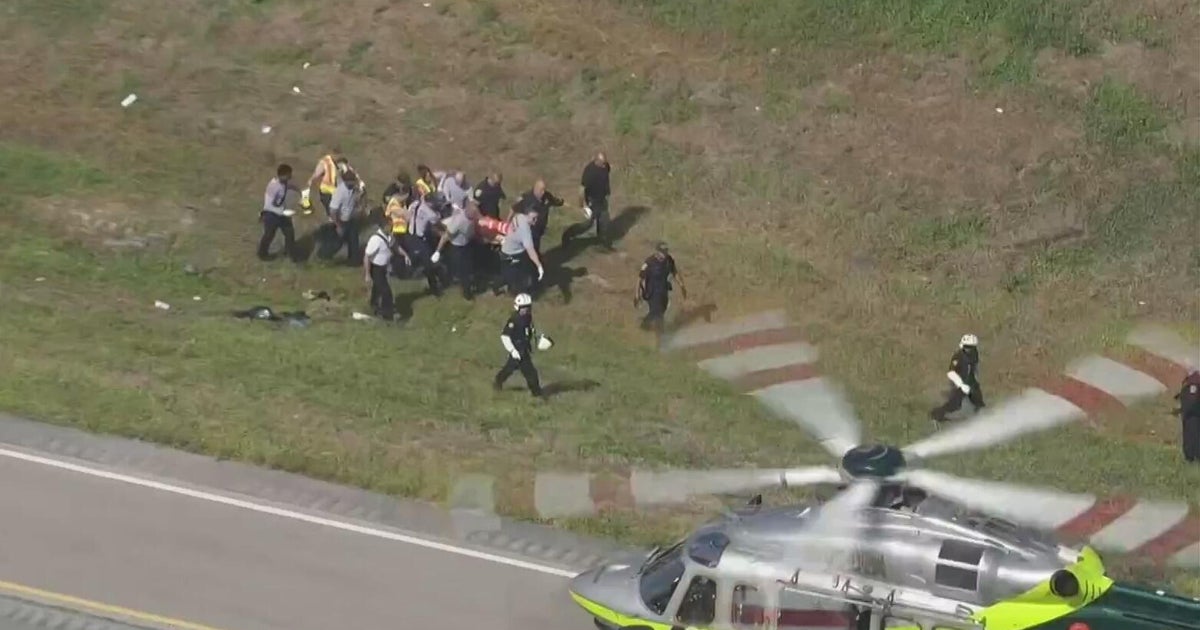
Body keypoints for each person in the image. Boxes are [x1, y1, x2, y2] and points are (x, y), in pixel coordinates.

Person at [494, 293, 544, 398]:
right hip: (517, 350)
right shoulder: (514, 320)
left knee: (511, 369)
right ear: (517, 307)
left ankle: (498, 382)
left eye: (527, 308)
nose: (525, 310)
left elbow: (530, 330)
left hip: (524, 349)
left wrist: (538, 338)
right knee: (528, 372)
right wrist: (513, 351)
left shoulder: (528, 317)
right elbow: (505, 336)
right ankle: (537, 394)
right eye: (523, 308)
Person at [362, 216, 411, 321]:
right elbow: (367, 257)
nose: (392, 227)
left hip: (383, 267)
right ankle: (387, 315)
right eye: (390, 225)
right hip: (376, 269)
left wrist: (405, 255)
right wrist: (367, 274)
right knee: (386, 291)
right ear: (384, 226)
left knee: (377, 288)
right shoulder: (375, 240)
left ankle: (374, 305)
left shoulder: (389, 236)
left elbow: (395, 247)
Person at [930, 334, 986, 424]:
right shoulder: (958, 356)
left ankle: (980, 419)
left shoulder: (974, 354)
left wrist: (974, 379)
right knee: (955, 404)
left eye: (971, 347)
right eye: (967, 347)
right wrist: (961, 385)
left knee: (978, 401)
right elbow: (951, 373)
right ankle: (936, 415)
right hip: (959, 383)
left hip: (971, 382)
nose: (969, 349)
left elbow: (973, 367)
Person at [562, 152, 612, 249]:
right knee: (588, 224)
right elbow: (581, 189)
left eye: (605, 162)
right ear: (596, 161)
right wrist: (582, 205)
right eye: (602, 163)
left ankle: (603, 243)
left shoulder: (606, 167)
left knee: (604, 220)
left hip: (602, 198)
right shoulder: (589, 171)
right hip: (592, 200)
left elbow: (605, 179)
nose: (604, 165)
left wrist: (607, 193)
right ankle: (568, 233)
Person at [636, 241, 686, 333]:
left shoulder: (669, 260)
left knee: (662, 309)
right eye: (662, 251)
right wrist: (637, 294)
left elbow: (674, 272)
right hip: (651, 291)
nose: (665, 253)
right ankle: (660, 332)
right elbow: (640, 278)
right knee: (657, 311)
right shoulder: (649, 262)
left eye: (666, 251)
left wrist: (681, 285)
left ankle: (647, 325)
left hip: (663, 290)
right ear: (657, 252)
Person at [400, 192, 444, 295]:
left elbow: (408, 215)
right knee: (428, 263)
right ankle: (434, 287)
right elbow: (439, 225)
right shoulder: (431, 214)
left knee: (415, 256)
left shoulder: (415, 204)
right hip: (419, 239)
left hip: (409, 234)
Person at [433, 200, 478, 300]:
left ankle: (464, 282)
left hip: (467, 244)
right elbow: (446, 236)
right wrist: (437, 251)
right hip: (458, 248)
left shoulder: (470, 216)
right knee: (464, 272)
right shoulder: (458, 221)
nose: (475, 215)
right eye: (473, 213)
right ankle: (467, 293)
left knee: (469, 267)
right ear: (468, 210)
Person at [258, 163, 301, 261]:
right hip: (271, 214)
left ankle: (290, 254)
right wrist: (284, 212)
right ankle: (262, 254)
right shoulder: (274, 187)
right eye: (289, 174)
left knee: (289, 233)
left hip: (281, 213)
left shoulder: (283, 183)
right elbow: (271, 204)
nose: (291, 176)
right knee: (269, 235)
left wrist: (297, 189)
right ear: (283, 175)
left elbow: (286, 186)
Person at [497, 209, 545, 295]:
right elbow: (530, 250)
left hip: (507, 251)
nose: (535, 221)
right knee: (517, 281)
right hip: (513, 255)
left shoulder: (520, 216)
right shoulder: (525, 231)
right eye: (533, 218)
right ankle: (506, 288)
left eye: (537, 218)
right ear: (527, 215)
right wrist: (539, 266)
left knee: (512, 274)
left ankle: (502, 284)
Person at [509, 179, 563, 255]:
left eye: (544, 190)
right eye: (541, 190)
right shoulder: (528, 200)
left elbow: (554, 200)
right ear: (535, 189)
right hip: (529, 231)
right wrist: (507, 222)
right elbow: (513, 208)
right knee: (529, 249)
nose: (543, 192)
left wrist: (560, 202)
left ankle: (535, 259)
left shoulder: (546, 196)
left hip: (539, 229)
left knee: (536, 246)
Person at [326, 170, 364, 263]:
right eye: (350, 181)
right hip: (340, 221)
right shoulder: (340, 192)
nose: (352, 183)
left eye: (353, 181)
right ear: (345, 181)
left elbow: (355, 201)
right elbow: (333, 210)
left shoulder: (354, 189)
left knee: (354, 241)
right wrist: (338, 225)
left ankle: (353, 261)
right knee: (337, 243)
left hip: (350, 219)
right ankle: (324, 257)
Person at [1175, 370, 1200, 463]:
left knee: (1191, 436)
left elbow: (1191, 401)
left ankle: (1191, 457)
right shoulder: (1193, 383)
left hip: (1190, 416)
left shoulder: (1192, 384)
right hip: (1193, 416)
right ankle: (1193, 456)